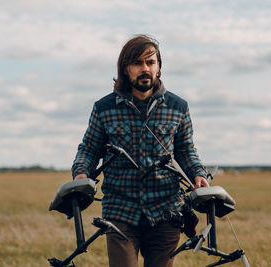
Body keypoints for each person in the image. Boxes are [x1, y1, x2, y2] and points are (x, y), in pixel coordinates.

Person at [71, 34, 209, 267]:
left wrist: (198, 173)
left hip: (167, 211)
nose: (144, 68)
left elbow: (186, 150)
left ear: (159, 67)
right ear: (126, 69)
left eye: (150, 62)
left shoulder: (178, 107)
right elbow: (89, 149)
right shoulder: (104, 108)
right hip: (120, 211)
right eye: (137, 63)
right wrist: (82, 172)